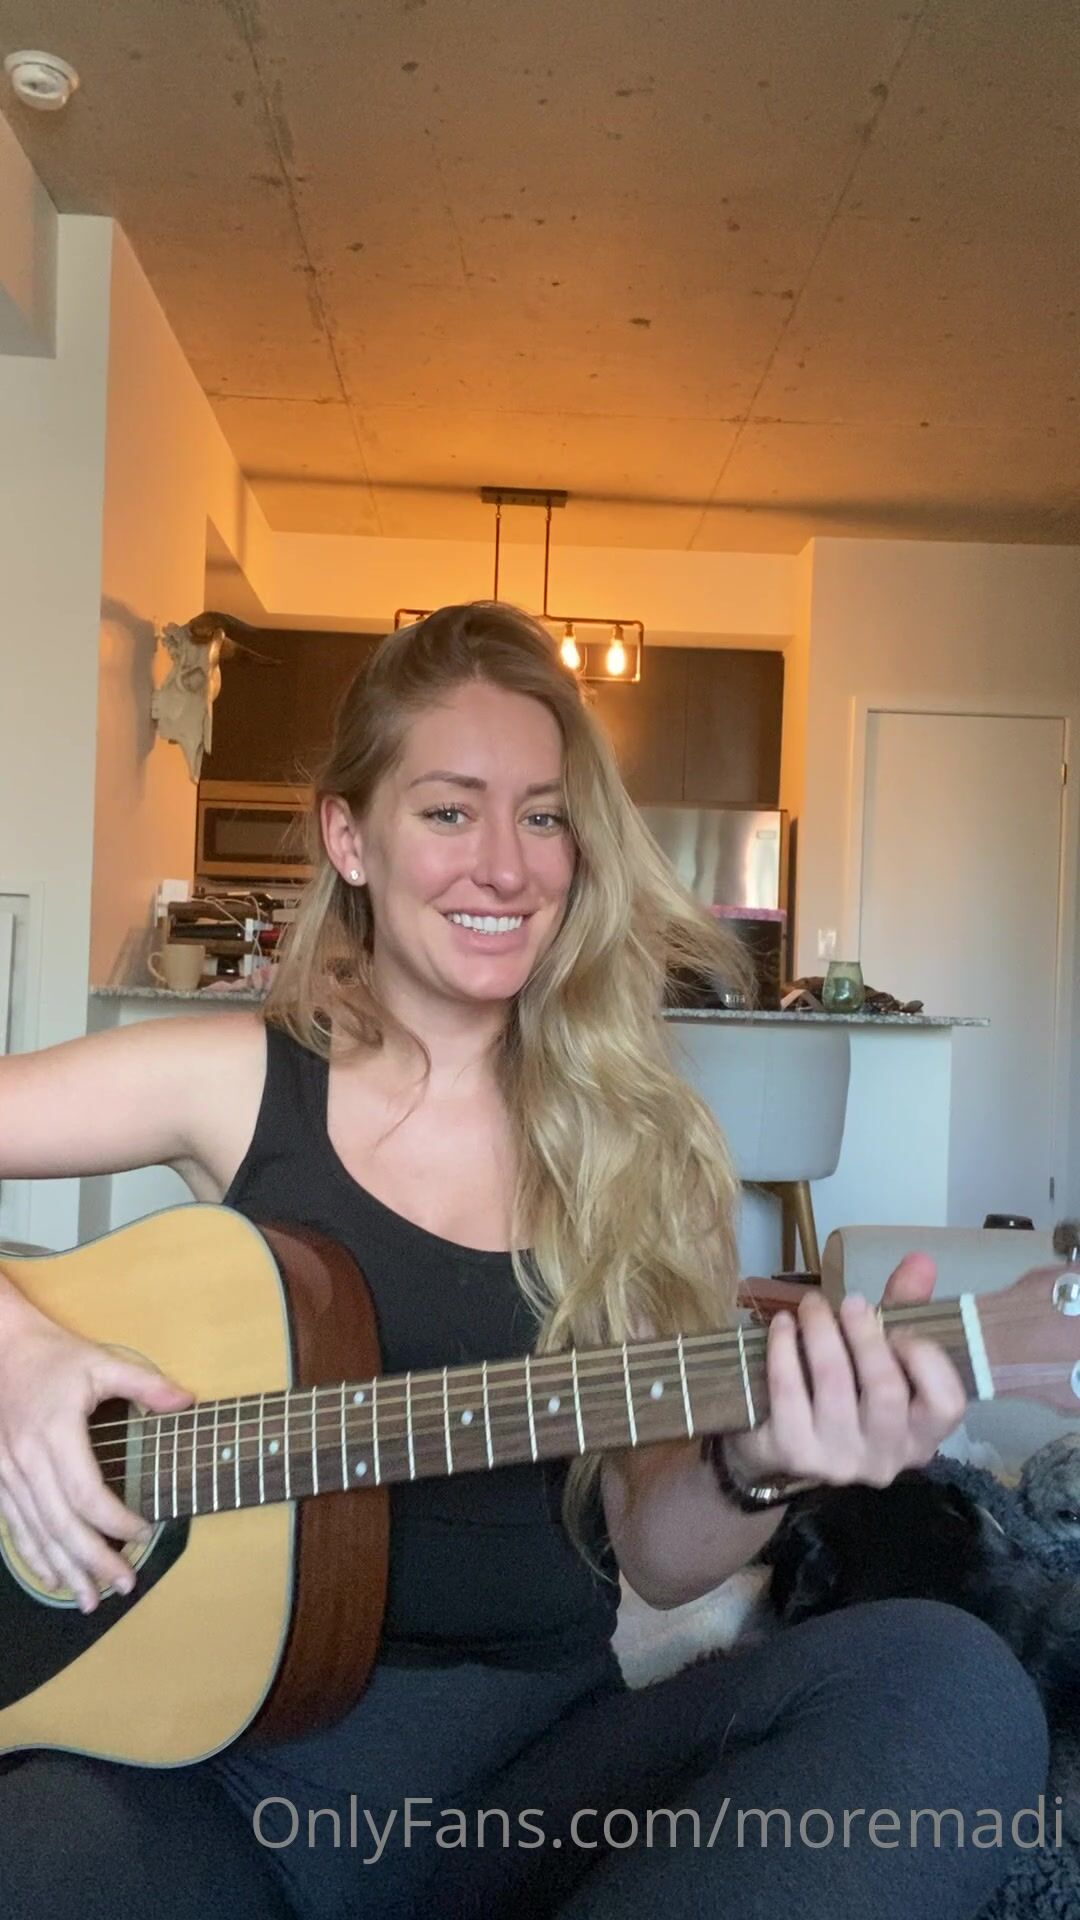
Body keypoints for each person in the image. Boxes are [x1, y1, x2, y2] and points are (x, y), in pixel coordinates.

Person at [0, 603, 1047, 1920]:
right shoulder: (237, 1079)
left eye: (544, 817)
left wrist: (760, 1459)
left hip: (532, 1780)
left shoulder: (646, 1150)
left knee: (948, 1690)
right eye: (449, 811)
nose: (505, 867)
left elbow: (659, 1557)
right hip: (208, 1782)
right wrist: (20, 1355)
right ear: (351, 838)